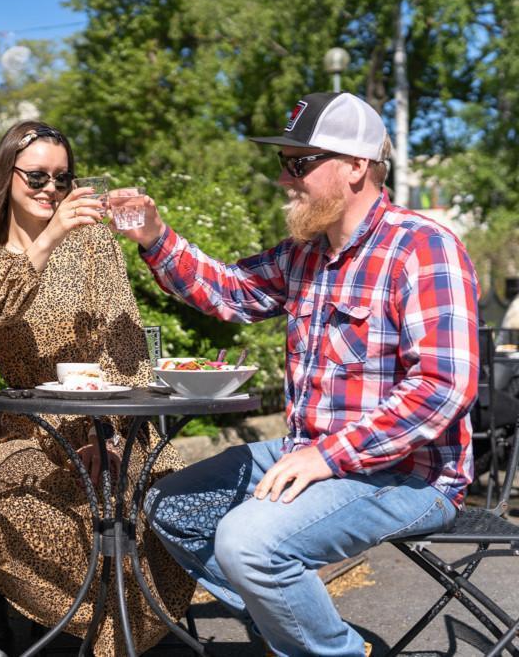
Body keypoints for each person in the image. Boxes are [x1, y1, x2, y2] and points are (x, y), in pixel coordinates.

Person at [117, 92, 479, 657]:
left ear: (357, 165)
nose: (285, 178)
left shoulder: (424, 248)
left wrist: (326, 458)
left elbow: (443, 388)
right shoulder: (305, 253)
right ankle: (301, 636)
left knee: (248, 543)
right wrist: (154, 237)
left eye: (300, 163)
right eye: (284, 162)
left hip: (412, 476)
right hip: (308, 452)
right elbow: (229, 292)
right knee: (171, 506)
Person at [0, 121, 195, 656]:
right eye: (36, 176)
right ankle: (55, 632)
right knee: (30, 500)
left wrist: (113, 433)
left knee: (142, 495)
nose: (50, 190)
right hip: (25, 429)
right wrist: (50, 236)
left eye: (63, 178)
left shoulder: (93, 244)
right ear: (5, 176)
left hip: (106, 421)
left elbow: (125, 348)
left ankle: (125, 634)